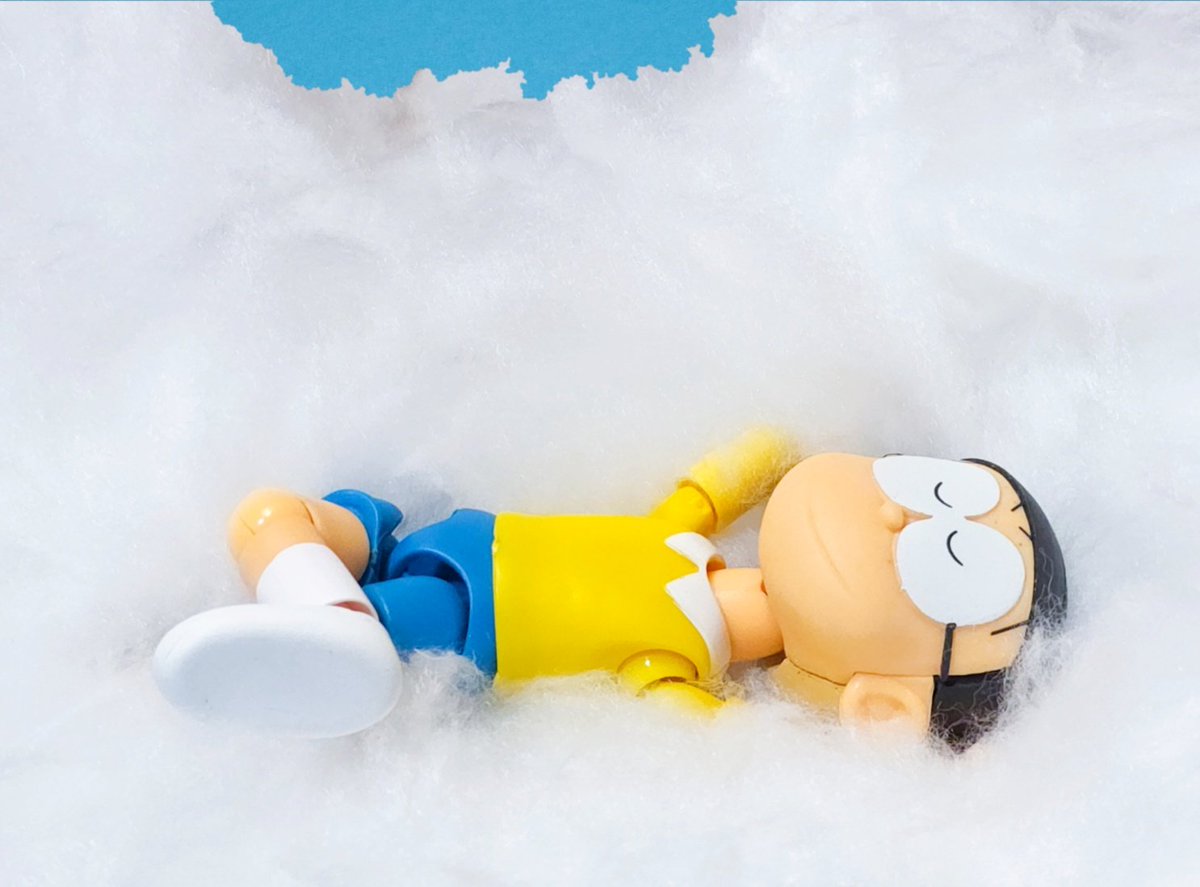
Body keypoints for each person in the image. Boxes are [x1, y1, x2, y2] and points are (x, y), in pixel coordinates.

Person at [154, 429, 1066, 747]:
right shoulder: (685, 537)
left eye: (949, 560)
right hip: (450, 533)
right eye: (934, 489)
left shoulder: (681, 658)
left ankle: (347, 642)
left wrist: (744, 738)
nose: (896, 515)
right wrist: (764, 449)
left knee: (391, 622)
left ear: (881, 705)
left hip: (470, 619)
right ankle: (322, 609)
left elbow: (696, 727)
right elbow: (715, 481)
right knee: (272, 511)